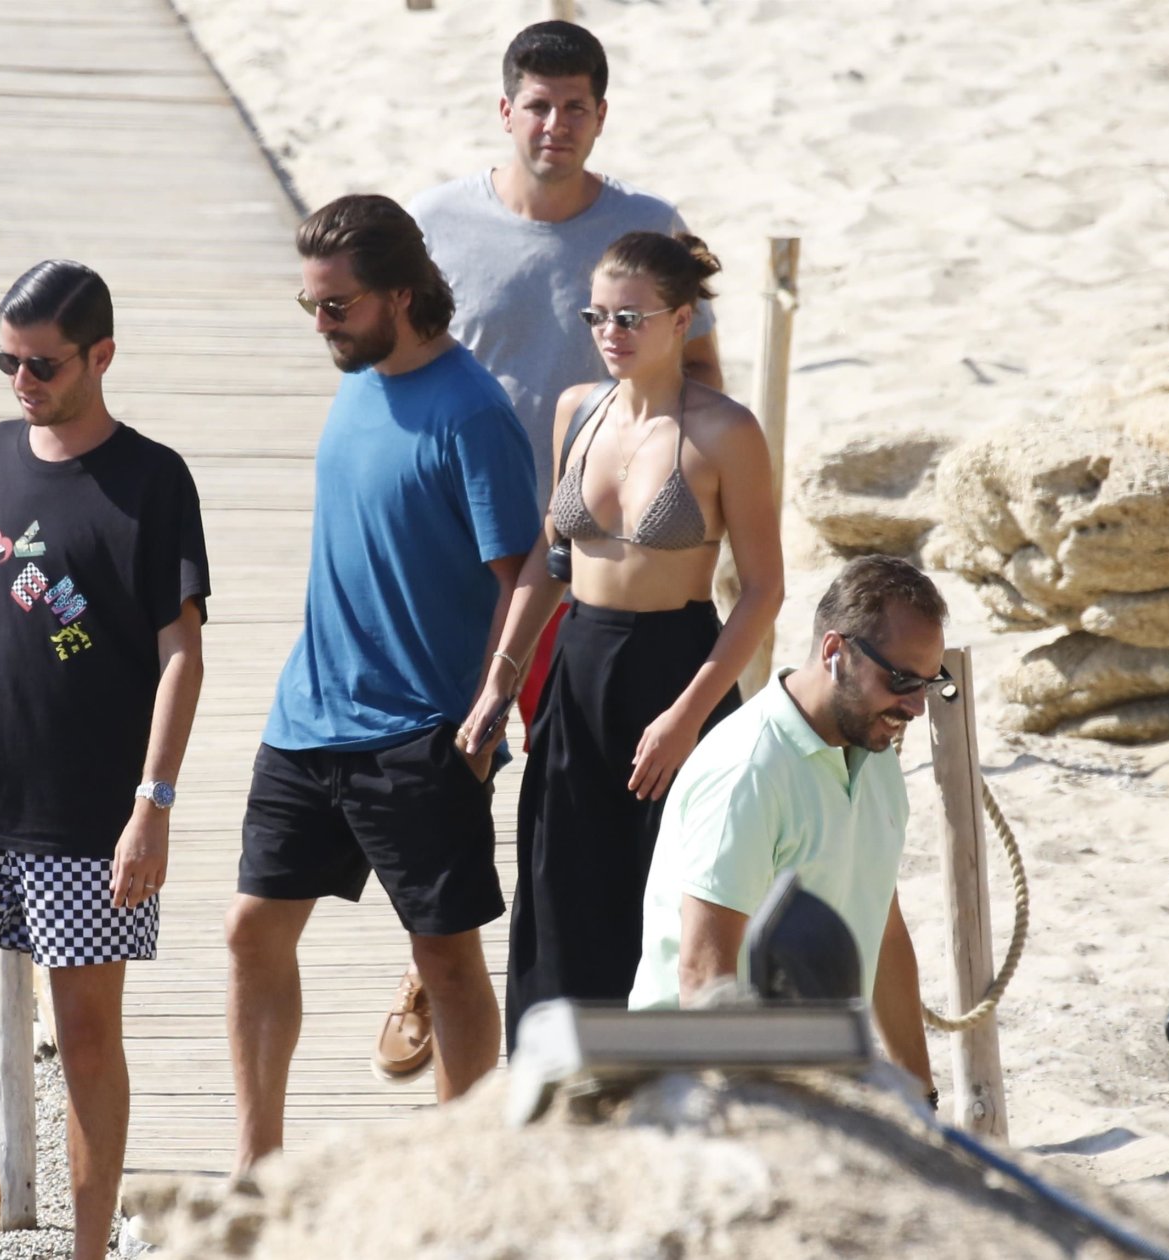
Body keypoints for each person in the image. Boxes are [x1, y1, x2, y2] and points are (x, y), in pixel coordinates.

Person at [376, 18, 726, 1078]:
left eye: (576, 107)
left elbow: (703, 377)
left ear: (601, 116)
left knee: (558, 795)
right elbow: (393, 372)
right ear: (505, 109)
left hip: (592, 555)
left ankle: (598, 1016)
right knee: (443, 766)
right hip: (457, 548)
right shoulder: (437, 223)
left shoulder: (645, 228)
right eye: (537, 104)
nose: (555, 124)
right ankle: (431, 970)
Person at [0, 260, 210, 1260]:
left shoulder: (154, 480)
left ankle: (89, 1252)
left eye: (41, 365)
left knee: (87, 1042)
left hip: (89, 813)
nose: (21, 382)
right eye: (6, 363)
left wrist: (152, 805)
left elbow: (183, 654)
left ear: (100, 356)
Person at [224, 194, 540, 1172]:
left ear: (400, 294)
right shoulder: (357, 380)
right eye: (311, 304)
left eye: (337, 305)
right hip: (307, 714)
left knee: (446, 960)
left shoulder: (473, 411)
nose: (321, 322)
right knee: (251, 933)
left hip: (419, 731)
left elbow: (525, 571)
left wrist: (492, 702)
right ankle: (258, 1170)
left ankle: (460, 1171)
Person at [456, 231, 783, 1052]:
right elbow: (551, 558)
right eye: (597, 315)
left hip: (677, 668)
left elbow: (762, 591)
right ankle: (556, 1084)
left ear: (681, 320)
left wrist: (687, 717)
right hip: (576, 670)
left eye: (630, 317)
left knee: (671, 898)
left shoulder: (725, 431)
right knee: (559, 890)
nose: (610, 332)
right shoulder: (579, 409)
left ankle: (670, 1083)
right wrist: (500, 680)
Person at [628, 555, 943, 1104]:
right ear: (835, 652)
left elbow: (884, 931)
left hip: (808, 1082)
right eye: (902, 680)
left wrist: (922, 1101)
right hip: (699, 1092)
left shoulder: (873, 748)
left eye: (930, 683)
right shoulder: (748, 772)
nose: (916, 706)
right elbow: (704, 978)